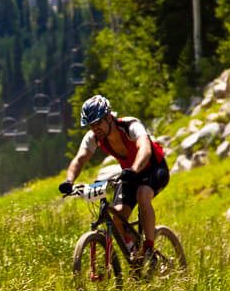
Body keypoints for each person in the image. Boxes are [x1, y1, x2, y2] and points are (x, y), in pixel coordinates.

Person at [59, 94, 169, 264]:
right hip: (129, 174)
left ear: (109, 117)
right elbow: (80, 159)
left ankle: (148, 248)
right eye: (90, 125)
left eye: (97, 123)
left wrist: (134, 169)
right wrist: (69, 181)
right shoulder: (94, 137)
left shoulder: (130, 125)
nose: (95, 128)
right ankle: (134, 252)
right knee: (117, 215)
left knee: (143, 193)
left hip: (154, 168)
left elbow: (145, 148)